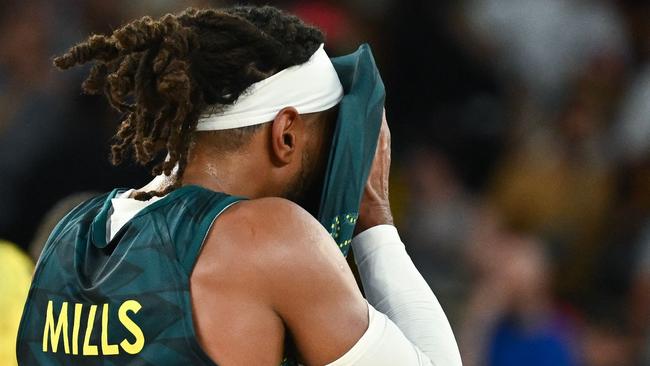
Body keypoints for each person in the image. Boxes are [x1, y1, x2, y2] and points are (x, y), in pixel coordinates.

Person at [17, 6, 461, 366]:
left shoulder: (69, 234)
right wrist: (374, 215)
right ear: (285, 134)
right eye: (330, 137)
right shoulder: (265, 236)